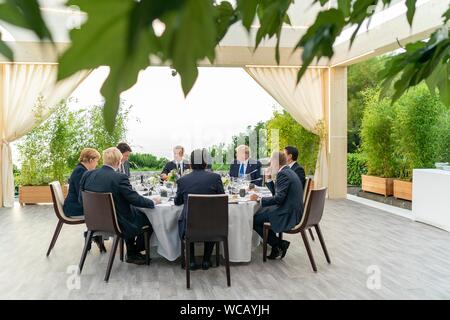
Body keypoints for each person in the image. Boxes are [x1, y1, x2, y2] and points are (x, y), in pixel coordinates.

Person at [79, 147, 161, 265]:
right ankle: (133, 252)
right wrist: (153, 202)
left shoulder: (87, 175)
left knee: (129, 212)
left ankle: (132, 251)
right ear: (118, 162)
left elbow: (81, 199)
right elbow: (135, 199)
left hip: (93, 222)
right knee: (149, 219)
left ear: (104, 160)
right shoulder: (119, 178)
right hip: (117, 224)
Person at [174, 149, 225, 270]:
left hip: (189, 226)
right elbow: (222, 198)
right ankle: (206, 260)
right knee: (211, 219)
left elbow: (177, 202)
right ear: (206, 162)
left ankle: (191, 261)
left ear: (190, 164)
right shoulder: (215, 178)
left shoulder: (182, 180)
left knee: (189, 219)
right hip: (213, 226)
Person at [250, 151, 304, 259]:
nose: (270, 165)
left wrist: (260, 198)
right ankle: (276, 246)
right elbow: (277, 194)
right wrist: (269, 179)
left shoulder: (283, 174)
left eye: (271, 162)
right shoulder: (288, 171)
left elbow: (278, 199)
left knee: (255, 220)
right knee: (261, 212)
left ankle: (278, 244)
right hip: (291, 209)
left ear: (275, 162)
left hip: (288, 213)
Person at [63, 148, 106, 253]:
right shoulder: (80, 172)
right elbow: (83, 196)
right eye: (96, 161)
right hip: (74, 208)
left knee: (102, 208)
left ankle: (93, 234)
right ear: (91, 160)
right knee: (105, 211)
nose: (96, 164)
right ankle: (93, 234)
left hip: (75, 205)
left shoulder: (81, 170)